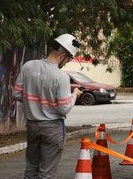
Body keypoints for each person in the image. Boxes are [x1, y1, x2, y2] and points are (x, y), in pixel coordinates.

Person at [12, 33, 83, 179]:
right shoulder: (61, 77)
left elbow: (17, 94)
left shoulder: (28, 67)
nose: (68, 62)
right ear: (63, 54)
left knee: (31, 170)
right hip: (52, 128)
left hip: (32, 126)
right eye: (69, 58)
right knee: (47, 174)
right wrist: (74, 95)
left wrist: (34, 102)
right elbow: (63, 108)